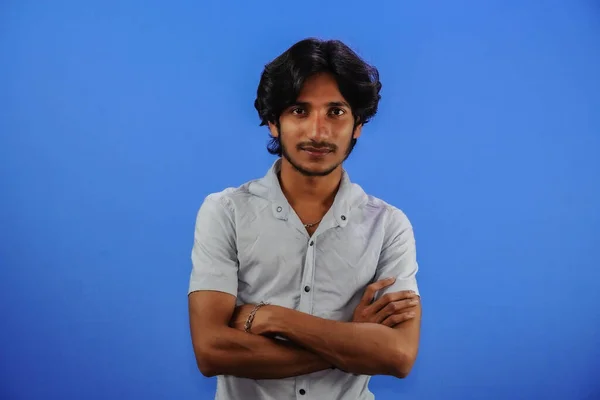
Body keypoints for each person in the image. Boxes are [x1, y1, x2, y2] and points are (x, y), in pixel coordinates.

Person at [187, 37, 422, 400]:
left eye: (335, 112)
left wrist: (272, 318)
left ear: (357, 124)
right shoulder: (226, 212)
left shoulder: (389, 226)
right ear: (272, 122)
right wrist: (351, 340)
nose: (317, 132)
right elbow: (211, 351)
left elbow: (398, 356)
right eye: (299, 110)